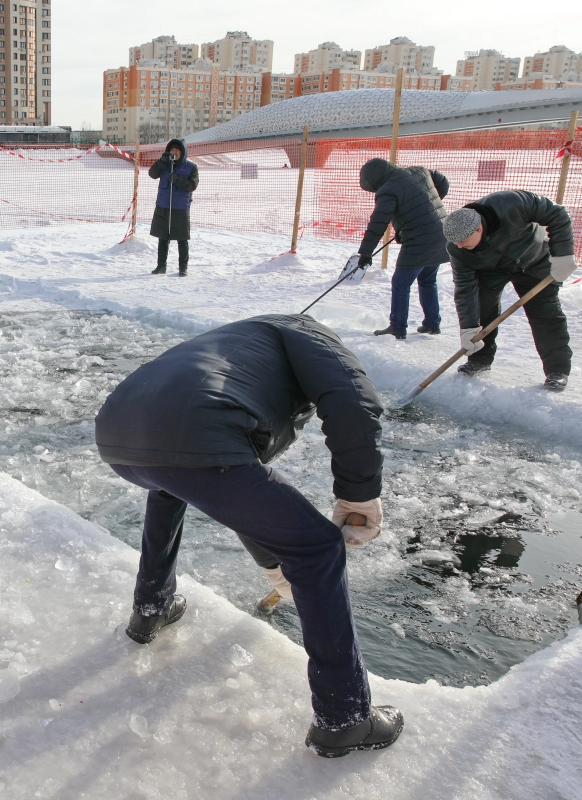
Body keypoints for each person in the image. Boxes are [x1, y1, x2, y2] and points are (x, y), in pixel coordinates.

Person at [95, 313, 403, 758]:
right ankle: (345, 718)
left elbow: (231, 486)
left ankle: (151, 607)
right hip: (197, 431)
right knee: (317, 547)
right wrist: (359, 494)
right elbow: (353, 401)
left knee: (171, 485)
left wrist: (272, 561)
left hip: (118, 436)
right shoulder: (316, 338)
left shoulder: (239, 342)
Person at [443, 192, 577, 391]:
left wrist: (563, 254)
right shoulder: (458, 251)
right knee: (482, 308)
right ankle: (480, 359)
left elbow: (556, 214)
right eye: (455, 242)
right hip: (491, 269)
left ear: (478, 229)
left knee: (545, 314)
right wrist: (468, 328)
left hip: (534, 260)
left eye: (463, 240)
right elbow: (465, 290)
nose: (459, 245)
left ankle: (557, 370)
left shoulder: (511, 203)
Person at [356, 158, 450, 339]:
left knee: (400, 284)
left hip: (420, 242)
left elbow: (378, 223)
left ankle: (398, 327)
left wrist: (365, 253)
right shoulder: (419, 171)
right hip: (441, 235)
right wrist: (425, 213)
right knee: (428, 280)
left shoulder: (388, 190)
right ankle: (432, 323)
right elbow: (442, 182)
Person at [148, 138, 198, 276]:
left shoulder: (191, 167)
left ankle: (183, 268)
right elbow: (152, 174)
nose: (174, 152)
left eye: (177, 150)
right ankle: (161, 266)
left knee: (182, 239)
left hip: (180, 207)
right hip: (163, 205)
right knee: (163, 238)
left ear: (183, 152)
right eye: (172, 150)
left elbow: (192, 185)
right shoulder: (164, 165)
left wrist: (177, 180)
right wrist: (161, 161)